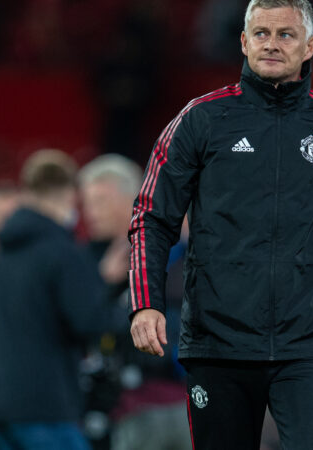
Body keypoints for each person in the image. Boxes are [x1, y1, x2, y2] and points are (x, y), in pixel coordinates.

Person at [128, 0, 313, 450]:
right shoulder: (201, 120)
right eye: (262, 33)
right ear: (244, 42)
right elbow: (152, 216)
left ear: (309, 46)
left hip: (309, 343)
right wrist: (146, 301)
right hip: (218, 342)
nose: (272, 43)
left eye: (286, 34)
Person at [0, 149, 127, 450]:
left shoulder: (2, 253)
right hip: (46, 405)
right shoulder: (62, 252)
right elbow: (88, 320)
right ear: (66, 192)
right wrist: (132, 314)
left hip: (0, 402)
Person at [79, 155, 190, 450]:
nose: (90, 212)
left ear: (131, 198)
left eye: (100, 201)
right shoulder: (86, 259)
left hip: (170, 400)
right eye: (87, 202)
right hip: (107, 409)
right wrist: (104, 283)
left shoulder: (171, 253)